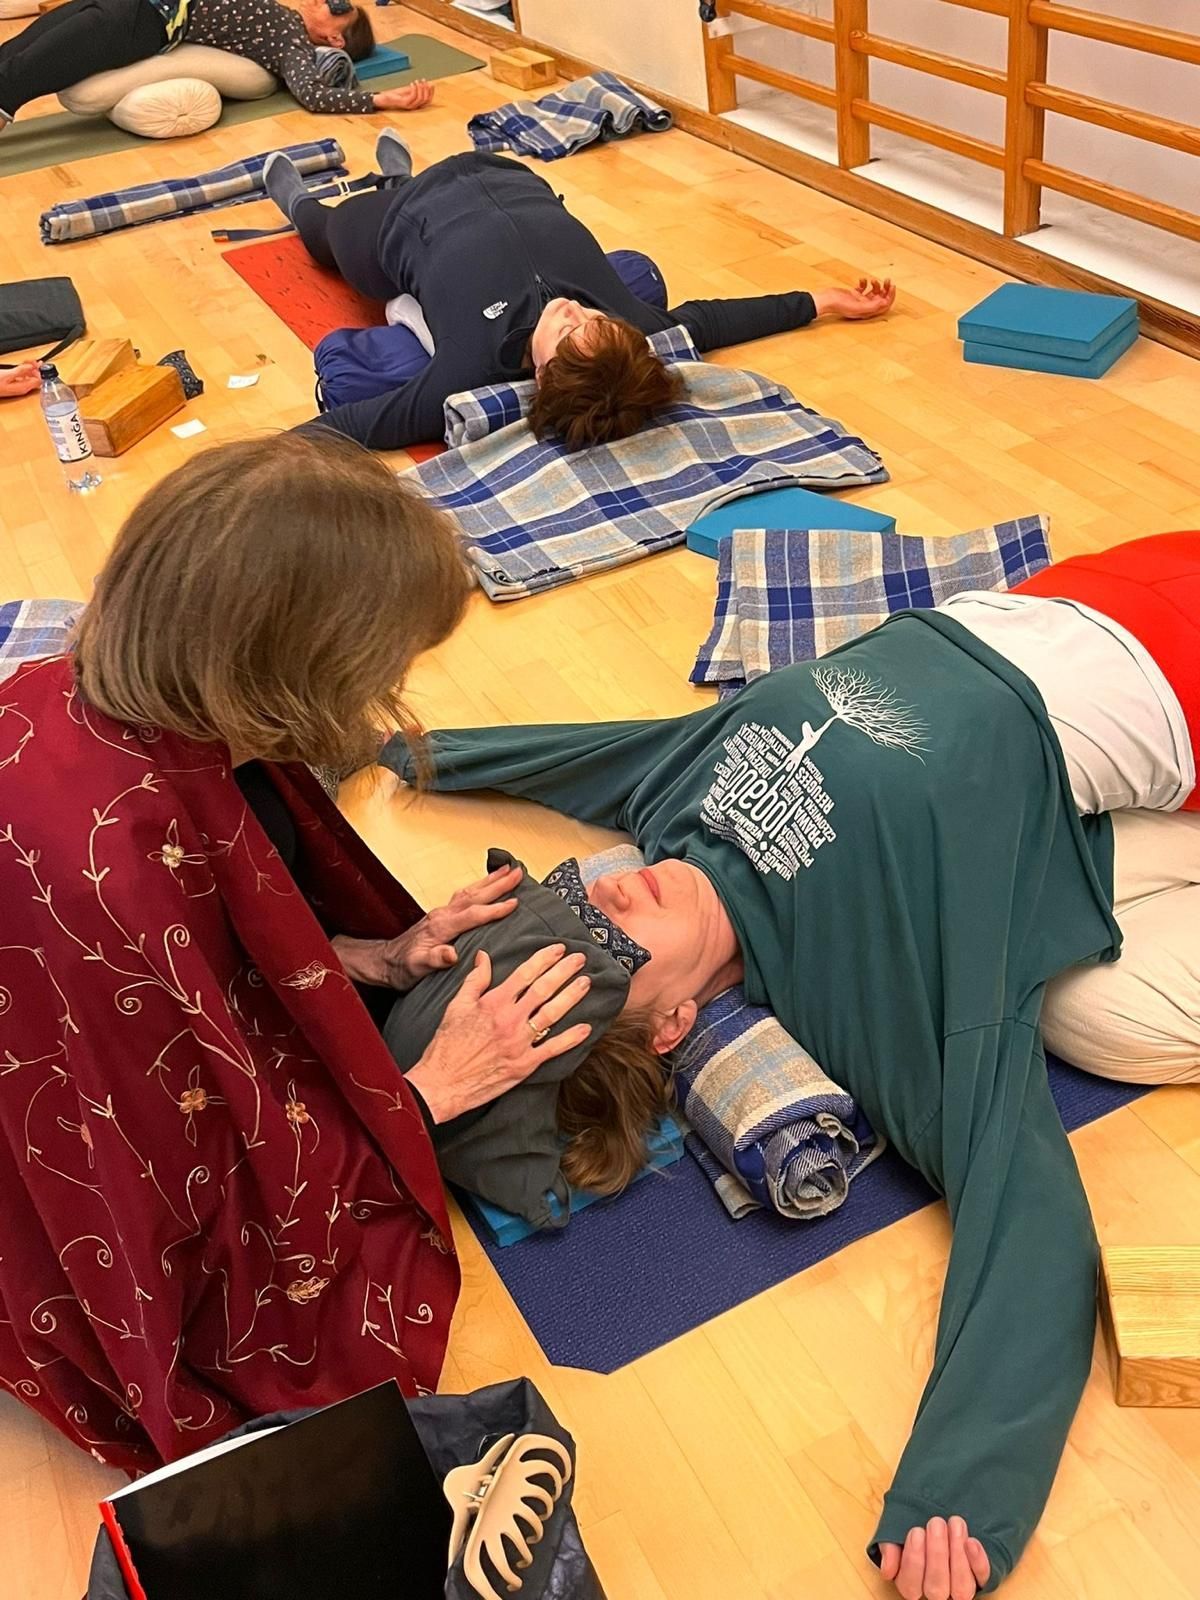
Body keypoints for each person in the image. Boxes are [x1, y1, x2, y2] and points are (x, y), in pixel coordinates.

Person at [378, 531, 1200, 1598]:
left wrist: (411, 755)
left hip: (1083, 600)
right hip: (1156, 675)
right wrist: (961, 1490)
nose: (617, 891)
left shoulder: (676, 799)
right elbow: (1024, 1206)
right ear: (670, 1027)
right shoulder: (870, 989)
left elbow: (594, 749)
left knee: (1076, 997)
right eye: (602, 945)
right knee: (1092, 1017)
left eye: (572, 891)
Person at [0, 432, 592, 1474]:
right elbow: (170, 1191)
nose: (390, 688)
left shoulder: (76, 691)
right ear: (284, 665)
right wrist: (427, 1093)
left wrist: (362, 955)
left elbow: (210, 939)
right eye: (381, 664)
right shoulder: (110, 877)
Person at [264, 143, 896, 451]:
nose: (575, 312)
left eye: (569, 332)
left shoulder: (466, 371)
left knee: (328, 235)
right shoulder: (633, 326)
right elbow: (712, 321)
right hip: (501, 169)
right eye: (596, 317)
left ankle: (299, 204)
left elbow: (361, 425)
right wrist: (826, 300)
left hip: (399, 224)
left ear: (539, 372)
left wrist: (259, 457)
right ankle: (396, 170)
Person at [0, 0, 434, 128]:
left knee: (22, 74)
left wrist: (380, 100)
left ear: (336, 37)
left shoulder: (291, 41)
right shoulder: (283, 12)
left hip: (144, 22)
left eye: (337, 6)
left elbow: (313, 94)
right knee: (13, 50)